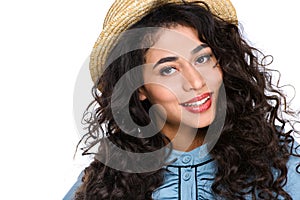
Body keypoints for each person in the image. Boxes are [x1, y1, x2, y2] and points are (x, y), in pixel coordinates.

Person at [64, 0, 300, 199]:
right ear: (139, 88)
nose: (196, 82)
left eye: (202, 59)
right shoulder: (104, 182)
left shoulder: (280, 164)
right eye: (168, 70)